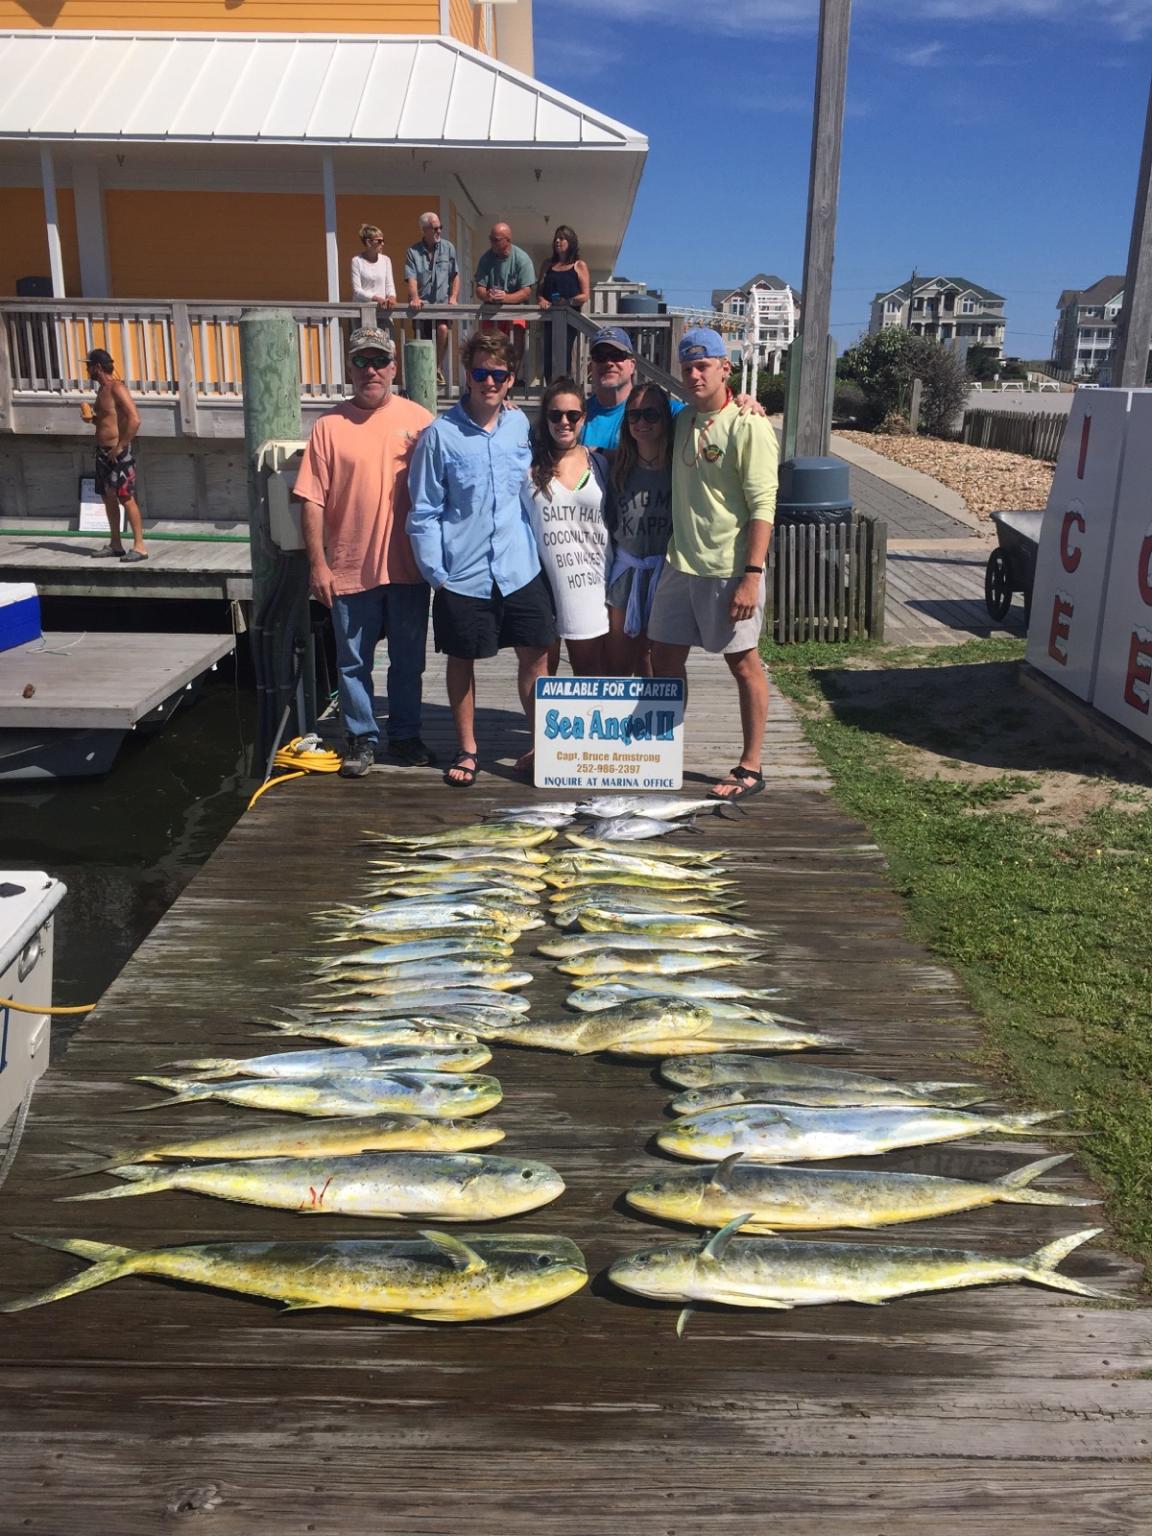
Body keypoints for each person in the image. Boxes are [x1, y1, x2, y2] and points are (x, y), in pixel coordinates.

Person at [407, 331, 555, 788]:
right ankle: (468, 749)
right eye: (480, 372)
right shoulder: (439, 435)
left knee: (536, 656)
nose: (489, 381)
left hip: (519, 567)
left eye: (499, 374)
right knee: (461, 659)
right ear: (466, 376)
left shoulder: (520, 425)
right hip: (463, 574)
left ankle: (538, 745)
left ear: (511, 379)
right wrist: (438, 573)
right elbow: (424, 509)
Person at [294, 327, 435, 779]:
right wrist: (318, 563)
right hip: (350, 568)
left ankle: (406, 734)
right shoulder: (327, 427)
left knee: (409, 660)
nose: (370, 370)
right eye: (361, 362)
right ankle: (360, 737)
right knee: (352, 661)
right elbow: (312, 499)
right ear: (350, 369)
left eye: (379, 361)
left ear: (394, 366)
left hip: (410, 567)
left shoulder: (422, 420)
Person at [647, 328, 779, 801]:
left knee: (743, 663)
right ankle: (664, 753)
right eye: (687, 368)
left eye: (704, 366)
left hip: (729, 570)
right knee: (663, 658)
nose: (695, 374)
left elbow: (764, 503)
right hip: (680, 564)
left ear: (727, 368)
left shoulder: (749, 424)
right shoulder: (683, 420)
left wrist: (752, 575)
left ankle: (751, 764)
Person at [522, 379, 610, 675]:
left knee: (588, 671)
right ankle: (538, 724)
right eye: (555, 414)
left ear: (583, 419)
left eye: (573, 415)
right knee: (540, 671)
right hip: (540, 583)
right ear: (544, 418)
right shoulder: (528, 465)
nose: (564, 421)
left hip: (590, 583)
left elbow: (662, 434)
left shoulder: (601, 462)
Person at [604, 383, 675, 676]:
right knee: (618, 657)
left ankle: (649, 720)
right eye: (633, 416)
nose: (641, 423)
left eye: (651, 415)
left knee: (654, 657)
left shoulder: (680, 465)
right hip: (627, 571)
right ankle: (615, 720)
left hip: (666, 572)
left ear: (665, 419)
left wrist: (744, 400)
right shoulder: (615, 464)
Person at [85, 348, 147, 562]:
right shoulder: (101, 391)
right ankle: (115, 544)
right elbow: (106, 420)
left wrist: (120, 446)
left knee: (126, 497)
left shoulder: (116, 387)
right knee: (107, 496)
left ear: (98, 367)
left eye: (89, 366)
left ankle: (140, 547)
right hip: (103, 452)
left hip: (118, 453)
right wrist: (91, 419)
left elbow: (134, 419)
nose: (87, 370)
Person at [474, 223, 535, 387]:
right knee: (487, 343)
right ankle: (490, 376)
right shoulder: (486, 258)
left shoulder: (522, 259)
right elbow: (479, 288)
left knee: (518, 334)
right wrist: (488, 295)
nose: (492, 242)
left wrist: (506, 298)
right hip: (492, 312)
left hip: (515, 310)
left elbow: (526, 291)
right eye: (491, 239)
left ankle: (511, 376)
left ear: (507, 240)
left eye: (496, 240)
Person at [404, 211, 459, 387]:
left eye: (440, 227)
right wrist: (414, 297)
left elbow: (455, 275)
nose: (439, 231)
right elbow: (411, 277)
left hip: (441, 304)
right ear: (424, 229)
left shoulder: (448, 247)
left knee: (442, 329)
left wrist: (454, 297)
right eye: (435, 228)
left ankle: (437, 368)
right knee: (424, 341)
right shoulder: (413, 252)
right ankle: (425, 375)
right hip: (423, 306)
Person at [536, 225, 589, 383]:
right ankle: (550, 388)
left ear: (571, 242)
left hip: (569, 318)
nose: (557, 241)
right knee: (548, 357)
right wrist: (542, 300)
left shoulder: (579, 265)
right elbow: (539, 291)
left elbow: (585, 295)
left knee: (565, 355)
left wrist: (568, 301)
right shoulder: (547, 264)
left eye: (562, 238)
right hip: (549, 317)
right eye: (556, 238)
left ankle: (566, 388)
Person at [350, 224, 396, 324]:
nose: (382, 244)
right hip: (362, 312)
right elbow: (357, 290)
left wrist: (391, 297)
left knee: (387, 340)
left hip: (383, 311)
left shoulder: (386, 260)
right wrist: (376, 298)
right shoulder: (357, 261)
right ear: (368, 242)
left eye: (383, 240)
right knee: (364, 339)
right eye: (379, 241)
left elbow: (389, 285)